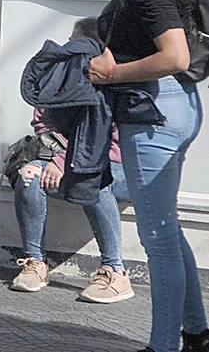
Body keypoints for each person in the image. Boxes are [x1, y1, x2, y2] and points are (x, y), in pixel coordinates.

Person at [86, 0, 208, 352]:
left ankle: (163, 346)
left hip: (153, 111)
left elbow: (175, 55)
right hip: (178, 105)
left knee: (157, 238)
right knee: (167, 227)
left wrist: (112, 73)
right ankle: (196, 332)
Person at [10, 17, 134, 304]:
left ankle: (115, 270)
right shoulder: (59, 78)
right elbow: (42, 124)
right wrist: (59, 157)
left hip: (118, 170)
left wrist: (67, 162)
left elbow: (107, 142)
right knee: (29, 174)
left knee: (93, 178)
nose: (68, 47)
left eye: (73, 41)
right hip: (66, 162)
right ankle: (34, 262)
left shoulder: (115, 81)